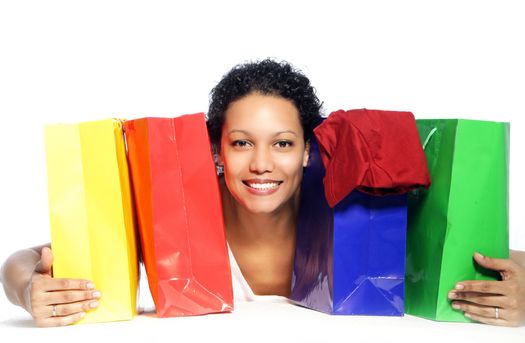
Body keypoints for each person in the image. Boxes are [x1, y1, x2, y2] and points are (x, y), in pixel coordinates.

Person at [1, 59, 524, 327]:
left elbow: (497, 259)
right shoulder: (175, 215)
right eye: (241, 143)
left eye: (282, 143)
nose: (261, 164)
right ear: (215, 152)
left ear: (307, 152)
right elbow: (28, 258)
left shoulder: (354, 214)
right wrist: (27, 290)